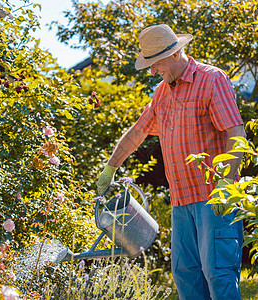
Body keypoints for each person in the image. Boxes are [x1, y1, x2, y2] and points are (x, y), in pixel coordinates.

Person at [96, 24, 246, 300]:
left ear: (175, 54)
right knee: (185, 275)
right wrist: (111, 166)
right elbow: (137, 133)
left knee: (219, 274)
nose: (152, 71)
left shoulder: (212, 80)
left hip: (214, 197)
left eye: (155, 63)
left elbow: (235, 131)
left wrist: (226, 182)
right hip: (181, 202)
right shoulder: (162, 94)